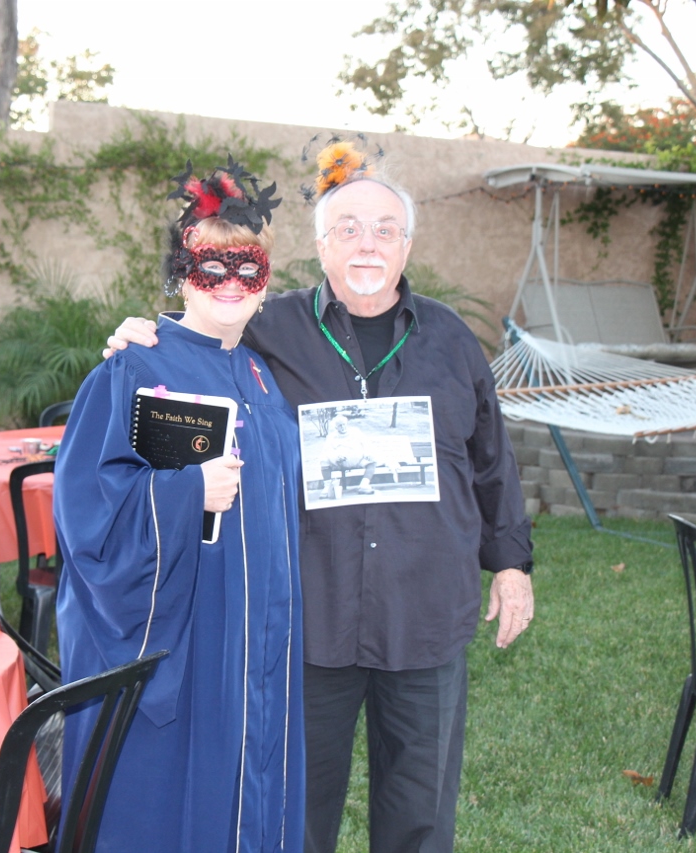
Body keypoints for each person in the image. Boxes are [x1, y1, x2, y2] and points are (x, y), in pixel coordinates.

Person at [105, 139, 535, 853]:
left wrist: (512, 564)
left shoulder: (453, 342)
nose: (367, 244)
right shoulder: (269, 333)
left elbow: (493, 461)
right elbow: (198, 337)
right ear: (321, 243)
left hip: (424, 614)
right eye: (349, 229)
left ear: (406, 244)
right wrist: (139, 339)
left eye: (384, 230)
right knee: (296, 811)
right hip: (311, 617)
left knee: (421, 815)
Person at [53, 159, 304, 852]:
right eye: (209, 265)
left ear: (267, 281)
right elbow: (87, 518)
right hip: (184, 644)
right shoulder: (134, 367)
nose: (228, 283)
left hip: (259, 641)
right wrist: (187, 491)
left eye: (246, 267)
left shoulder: (259, 373)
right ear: (180, 274)